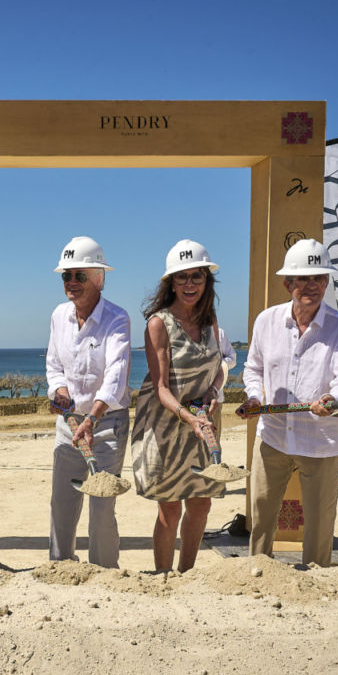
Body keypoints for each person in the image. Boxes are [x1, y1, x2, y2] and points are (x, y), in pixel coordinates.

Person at [240, 239, 338, 567]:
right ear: (287, 283)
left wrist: (334, 399)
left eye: (319, 278)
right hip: (273, 435)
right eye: (303, 279)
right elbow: (253, 368)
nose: (312, 286)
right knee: (261, 517)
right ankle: (256, 574)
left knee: (320, 524)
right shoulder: (266, 321)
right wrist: (254, 396)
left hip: (321, 441)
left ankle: (316, 581)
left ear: (327, 281)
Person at [131, 240, 229, 573]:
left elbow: (219, 367)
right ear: (171, 282)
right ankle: (162, 576)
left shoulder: (210, 319)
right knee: (169, 510)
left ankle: (187, 575)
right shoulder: (158, 324)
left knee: (201, 505)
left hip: (203, 425)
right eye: (182, 277)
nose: (189, 284)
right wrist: (189, 417)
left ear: (207, 281)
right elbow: (160, 388)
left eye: (196, 277)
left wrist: (215, 392)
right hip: (169, 426)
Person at [46, 236, 131, 568]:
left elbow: (117, 373)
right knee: (61, 505)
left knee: (101, 507)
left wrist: (92, 418)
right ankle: (60, 568)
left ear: (99, 278)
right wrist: (60, 391)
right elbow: (54, 364)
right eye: (66, 276)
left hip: (106, 426)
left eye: (79, 276)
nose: (71, 283)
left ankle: (105, 573)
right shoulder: (58, 316)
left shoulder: (117, 319)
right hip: (69, 425)